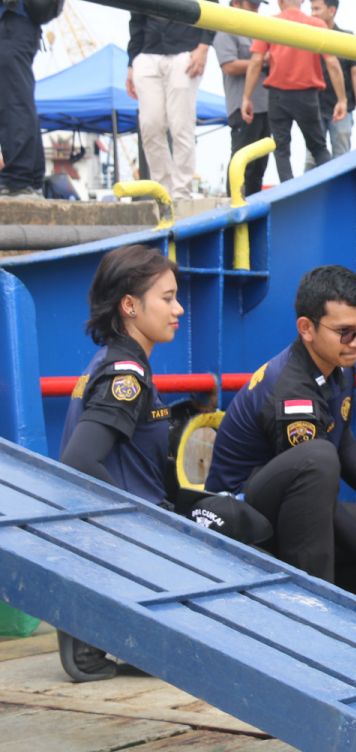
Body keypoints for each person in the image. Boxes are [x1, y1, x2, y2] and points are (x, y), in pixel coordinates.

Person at [204, 265, 356, 594]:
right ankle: (314, 605)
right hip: (241, 517)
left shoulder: (339, 364)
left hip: (291, 499)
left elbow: (342, 440)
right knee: (317, 458)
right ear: (307, 329)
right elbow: (315, 484)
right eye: (345, 332)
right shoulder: (292, 394)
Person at [57, 244, 184, 682]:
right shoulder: (125, 375)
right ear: (130, 305)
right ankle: (99, 617)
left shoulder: (110, 362)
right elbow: (78, 460)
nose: (178, 308)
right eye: (167, 298)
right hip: (136, 546)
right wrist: (137, 527)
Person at [125, 0, 218, 202]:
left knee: (181, 125)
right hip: (147, 53)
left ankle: (181, 192)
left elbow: (210, 3)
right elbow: (135, 20)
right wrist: (131, 63)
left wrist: (203, 46)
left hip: (184, 52)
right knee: (150, 124)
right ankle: (162, 191)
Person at [241, 0, 346, 183]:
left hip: (278, 96)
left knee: (281, 149)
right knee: (318, 147)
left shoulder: (270, 23)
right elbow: (333, 64)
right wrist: (342, 99)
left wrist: (246, 97)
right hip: (307, 95)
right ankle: (335, 188)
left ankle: (288, 192)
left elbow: (255, 63)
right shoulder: (317, 25)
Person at [212, 0, 270, 197]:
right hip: (242, 107)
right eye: (252, 5)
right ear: (236, 3)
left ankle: (254, 210)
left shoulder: (257, 31)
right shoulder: (226, 32)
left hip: (266, 105)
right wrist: (261, 61)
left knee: (259, 166)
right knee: (241, 162)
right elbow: (229, 66)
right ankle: (234, 206)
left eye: (257, 6)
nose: (256, 10)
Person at [0, 0, 46, 200]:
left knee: (14, 99)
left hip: (13, 16)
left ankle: (19, 180)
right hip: (12, 18)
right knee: (15, 96)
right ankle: (29, 179)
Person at [305, 0, 356, 168]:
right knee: (312, 159)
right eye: (311, 9)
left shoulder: (347, 38)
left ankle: (340, 194)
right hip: (314, 107)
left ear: (332, 10)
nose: (313, 14)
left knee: (341, 156)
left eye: (317, 9)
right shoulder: (306, 36)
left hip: (342, 108)